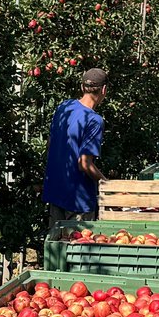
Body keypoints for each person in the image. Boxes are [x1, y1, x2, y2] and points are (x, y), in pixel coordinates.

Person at [42, 68, 108, 226]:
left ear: (82, 87)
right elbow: (84, 163)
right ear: (104, 90)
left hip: (56, 190)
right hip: (78, 200)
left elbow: (50, 144)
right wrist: (106, 182)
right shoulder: (94, 120)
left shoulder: (64, 108)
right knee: (77, 247)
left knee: (56, 245)